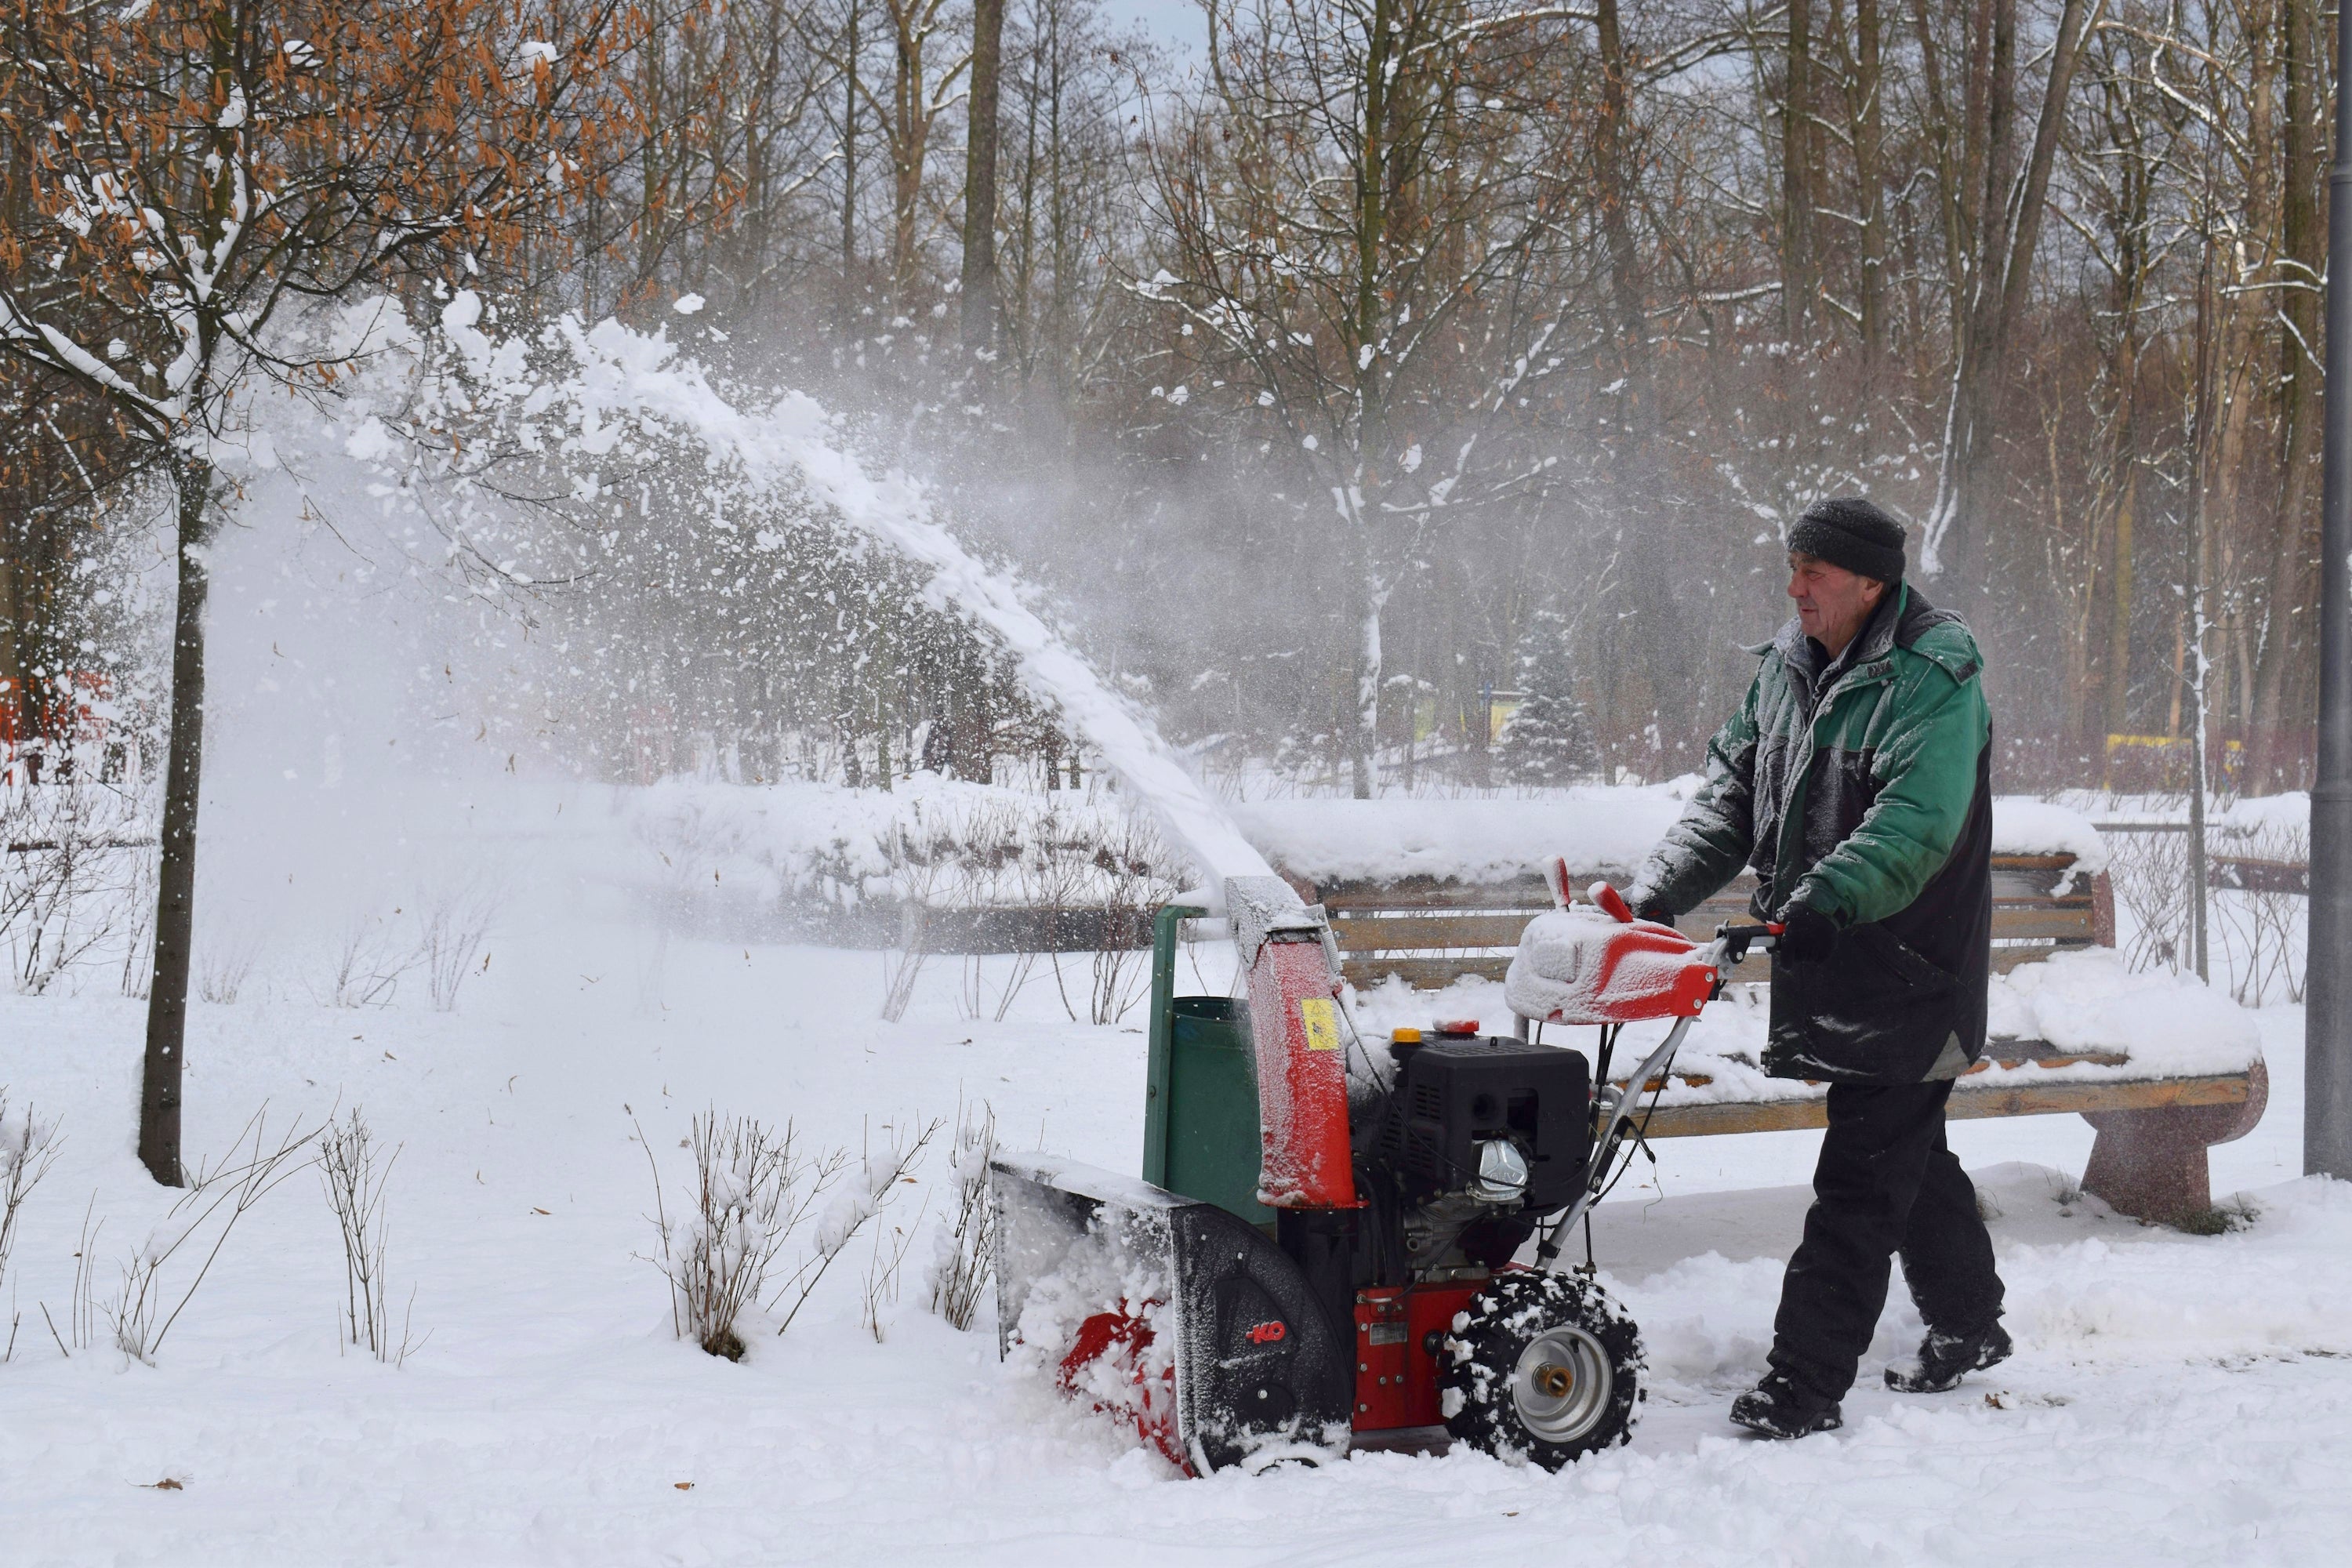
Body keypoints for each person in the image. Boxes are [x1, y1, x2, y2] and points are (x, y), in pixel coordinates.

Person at [1618, 496, 2009, 1439]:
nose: (1794, 588)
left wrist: (1823, 896)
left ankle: (1805, 1380)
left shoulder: (1931, 676)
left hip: (1911, 963)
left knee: (1862, 1178)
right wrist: (1656, 894)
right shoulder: (1788, 671)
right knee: (1907, 1150)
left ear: (1870, 581)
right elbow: (1733, 795)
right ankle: (1969, 1322)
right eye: (1790, 567)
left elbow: (1915, 823)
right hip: (1829, 950)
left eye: (1814, 572)